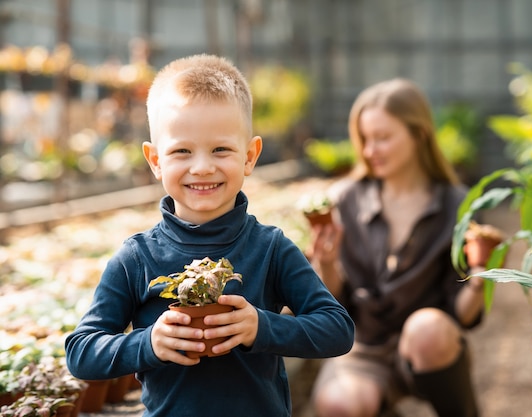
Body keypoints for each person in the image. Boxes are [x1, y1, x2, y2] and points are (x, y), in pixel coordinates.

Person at [64, 54, 354, 417]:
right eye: (181, 151)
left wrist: (260, 326)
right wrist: (149, 343)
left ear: (250, 156)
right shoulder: (137, 257)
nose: (202, 167)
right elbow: (80, 352)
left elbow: (337, 329)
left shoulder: (271, 248)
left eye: (221, 149)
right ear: (155, 161)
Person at [309, 78, 489, 417]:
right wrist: (328, 264)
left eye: (383, 138)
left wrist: (481, 275)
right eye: (365, 139)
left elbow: (463, 315)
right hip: (364, 347)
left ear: (419, 134)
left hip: (428, 346)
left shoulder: (458, 206)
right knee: (337, 404)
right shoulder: (345, 201)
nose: (369, 151)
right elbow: (336, 303)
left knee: (427, 330)